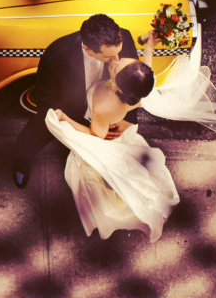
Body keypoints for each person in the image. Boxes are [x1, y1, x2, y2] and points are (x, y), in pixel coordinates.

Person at [46, 53, 180, 241]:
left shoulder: (105, 107)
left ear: (118, 85)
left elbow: (95, 136)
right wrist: (149, 44)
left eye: (117, 67)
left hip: (102, 131)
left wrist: (65, 119)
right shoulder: (137, 84)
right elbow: (143, 74)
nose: (115, 61)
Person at [11, 14, 140, 189]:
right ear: (87, 49)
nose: (117, 61)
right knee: (32, 137)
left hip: (103, 107)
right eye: (109, 57)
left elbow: (134, 83)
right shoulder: (56, 53)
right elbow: (45, 98)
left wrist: (128, 117)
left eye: (119, 52)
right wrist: (63, 119)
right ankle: (20, 163)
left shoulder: (125, 37)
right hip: (67, 109)